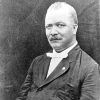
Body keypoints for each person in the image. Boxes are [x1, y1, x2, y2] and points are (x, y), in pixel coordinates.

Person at [16, 2, 100, 100]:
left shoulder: (90, 68)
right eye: (49, 26)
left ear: (74, 28)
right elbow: (21, 97)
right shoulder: (37, 62)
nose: (53, 32)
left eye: (60, 25)